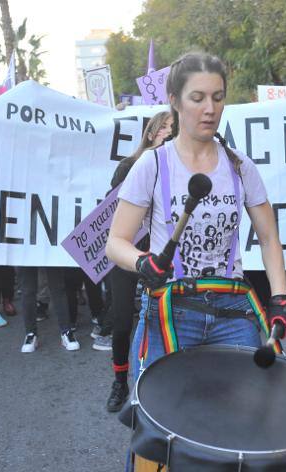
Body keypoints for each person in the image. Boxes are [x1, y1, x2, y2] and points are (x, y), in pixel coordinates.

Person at [107, 51, 286, 472]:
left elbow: (269, 237)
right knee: (155, 436)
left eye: (217, 98)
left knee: (242, 431)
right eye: (197, 98)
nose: (209, 108)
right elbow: (115, 242)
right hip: (171, 313)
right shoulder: (151, 165)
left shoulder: (239, 165)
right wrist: (142, 262)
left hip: (232, 314)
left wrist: (280, 299)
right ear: (174, 101)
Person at [104, 110, 171, 412]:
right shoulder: (128, 166)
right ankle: (120, 383)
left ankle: (158, 383)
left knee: (163, 320)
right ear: (151, 133)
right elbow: (113, 209)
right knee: (121, 322)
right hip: (128, 253)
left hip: (160, 259)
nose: (170, 133)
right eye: (165, 128)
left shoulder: (177, 170)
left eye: (174, 129)